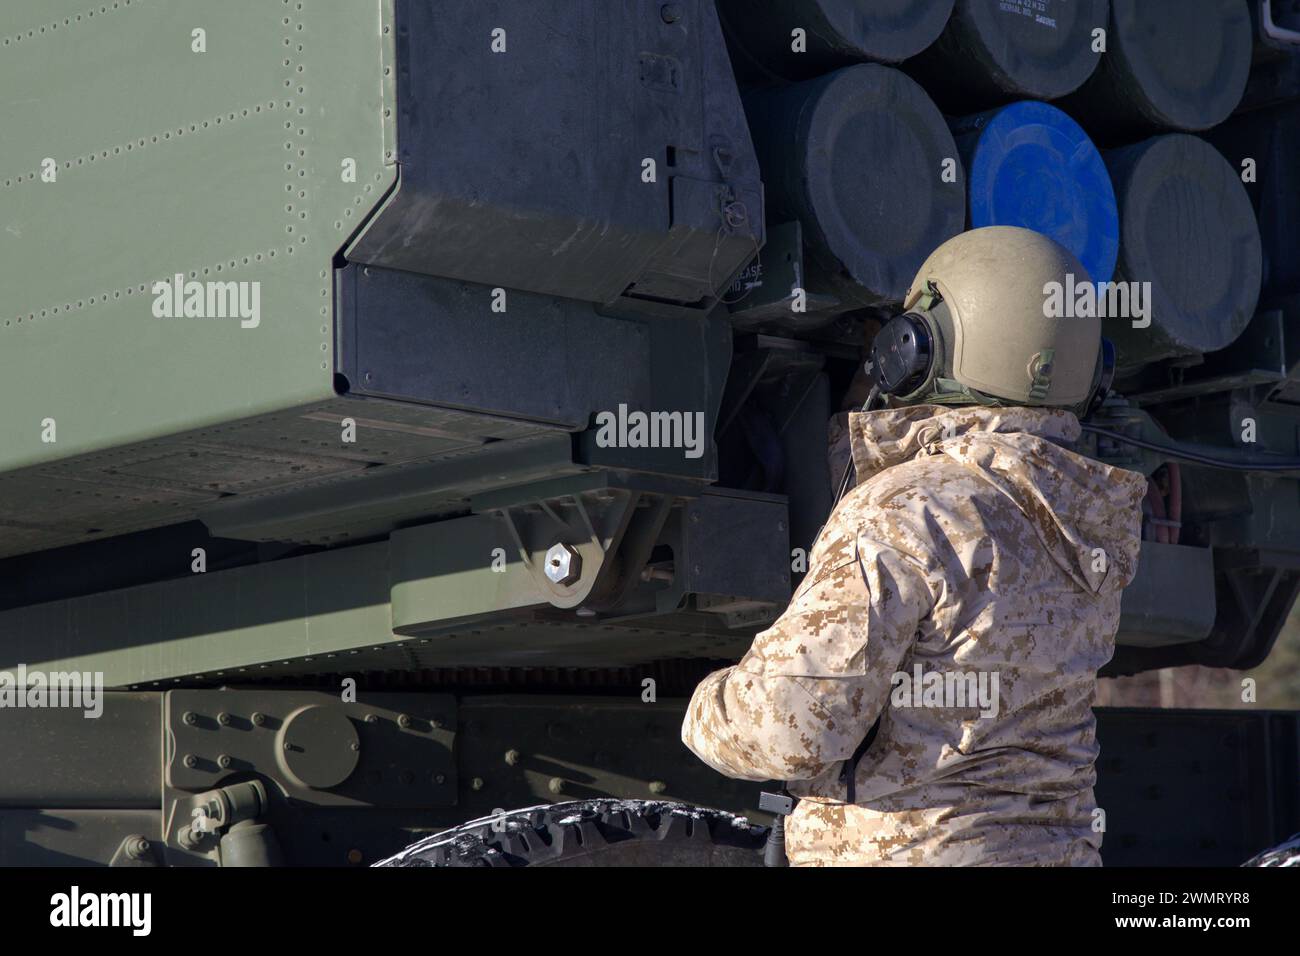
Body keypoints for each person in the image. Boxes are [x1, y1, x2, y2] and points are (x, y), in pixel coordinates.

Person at [681, 226, 1148, 866]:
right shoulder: (1094, 516)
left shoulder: (906, 510)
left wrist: (706, 703)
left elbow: (794, 726)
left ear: (916, 349)